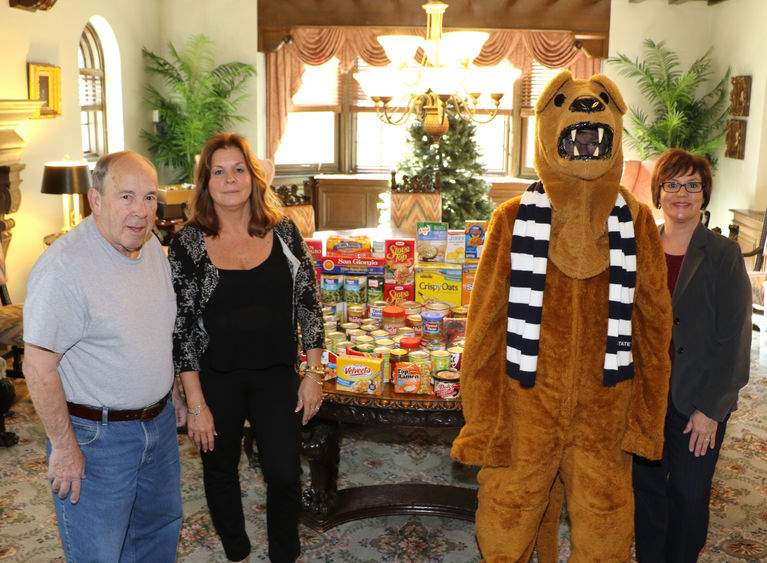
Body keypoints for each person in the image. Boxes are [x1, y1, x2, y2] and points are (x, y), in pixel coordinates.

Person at [169, 133, 324, 563]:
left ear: (254, 178)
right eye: (218, 171)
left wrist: (313, 374)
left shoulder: (284, 231)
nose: (230, 178)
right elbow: (180, 328)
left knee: (284, 471)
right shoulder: (188, 243)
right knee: (219, 470)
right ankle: (236, 550)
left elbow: (309, 303)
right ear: (206, 183)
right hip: (214, 377)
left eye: (239, 169)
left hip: (276, 374)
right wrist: (195, 402)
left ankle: (284, 553)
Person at [22, 151, 184, 562]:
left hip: (159, 426)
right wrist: (63, 446)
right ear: (96, 200)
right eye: (126, 196)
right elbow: (37, 367)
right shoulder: (65, 268)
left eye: (149, 198)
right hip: (97, 438)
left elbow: (156, 331)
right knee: (100, 551)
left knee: (158, 534)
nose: (141, 211)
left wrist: (173, 394)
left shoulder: (151, 248)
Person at [632, 148, 752, 562]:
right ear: (658, 192)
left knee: (688, 492)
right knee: (645, 490)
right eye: (672, 184)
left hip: (698, 397)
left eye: (692, 185)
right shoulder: (639, 247)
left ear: (704, 195)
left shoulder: (723, 254)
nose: (682, 193)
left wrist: (711, 410)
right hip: (645, 394)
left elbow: (735, 340)